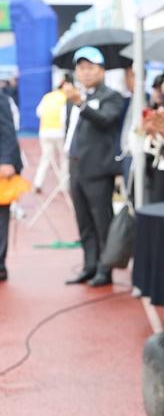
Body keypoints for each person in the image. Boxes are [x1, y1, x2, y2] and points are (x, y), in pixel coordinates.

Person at [63, 46, 125, 287]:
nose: (85, 72)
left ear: (101, 70)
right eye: (81, 68)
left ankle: (104, 268)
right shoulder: (74, 99)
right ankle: (89, 266)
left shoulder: (111, 96)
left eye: (90, 67)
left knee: (102, 220)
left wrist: (81, 104)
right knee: (84, 221)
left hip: (98, 169)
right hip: (75, 165)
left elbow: (106, 119)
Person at [0, 84, 21, 281]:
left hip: (1, 168)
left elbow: (7, 130)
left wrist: (6, 161)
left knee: (0, 216)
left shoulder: (1, 99)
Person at [33, 78, 68, 193]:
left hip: (45, 131)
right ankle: (63, 186)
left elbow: (39, 112)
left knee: (45, 158)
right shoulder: (65, 98)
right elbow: (64, 118)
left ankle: (38, 182)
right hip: (60, 132)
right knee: (64, 159)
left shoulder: (47, 97)